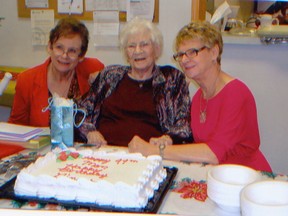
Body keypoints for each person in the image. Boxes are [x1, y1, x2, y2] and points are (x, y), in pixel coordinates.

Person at [129, 21, 272, 172]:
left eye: (192, 52)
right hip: (218, 176)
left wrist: (154, 150)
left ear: (214, 52)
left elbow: (213, 153)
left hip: (247, 178)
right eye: (181, 54)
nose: (184, 60)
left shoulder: (236, 93)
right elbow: (199, 146)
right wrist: (167, 140)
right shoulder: (199, 97)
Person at [75, 17, 192, 147]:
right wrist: (90, 132)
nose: (137, 51)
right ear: (126, 52)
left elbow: (184, 125)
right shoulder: (109, 75)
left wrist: (168, 139)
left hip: (148, 156)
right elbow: (80, 112)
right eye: (131, 46)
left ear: (156, 49)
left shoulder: (172, 79)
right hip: (106, 152)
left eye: (144, 45)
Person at [8, 17, 104, 127]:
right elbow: (15, 126)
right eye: (59, 48)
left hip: (82, 143)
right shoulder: (27, 80)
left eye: (72, 51)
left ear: (81, 55)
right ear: (50, 47)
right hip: (44, 143)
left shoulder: (93, 69)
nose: (64, 55)